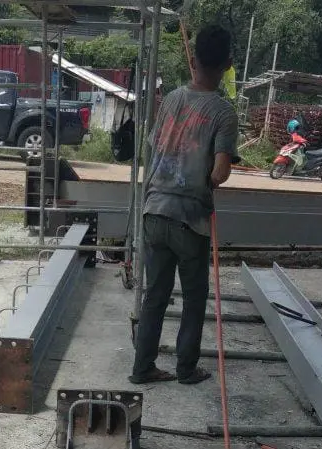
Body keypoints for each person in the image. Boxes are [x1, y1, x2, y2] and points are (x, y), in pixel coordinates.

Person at [130, 25, 239, 385]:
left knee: (155, 296)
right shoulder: (223, 112)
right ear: (227, 65)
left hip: (154, 211)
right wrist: (206, 173)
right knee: (193, 299)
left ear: (193, 61)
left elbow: (156, 145)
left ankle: (142, 368)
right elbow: (220, 174)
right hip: (189, 220)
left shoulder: (172, 99)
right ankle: (186, 369)